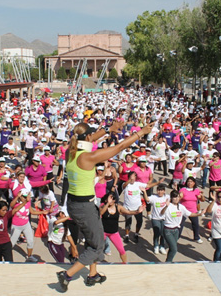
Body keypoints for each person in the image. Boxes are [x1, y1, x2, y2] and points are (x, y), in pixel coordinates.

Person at [57, 120, 154, 292]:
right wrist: (141, 133)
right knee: (97, 246)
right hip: (84, 207)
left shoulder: (70, 152)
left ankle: (93, 274)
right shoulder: (88, 157)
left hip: (74, 203)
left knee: (91, 239)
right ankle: (67, 275)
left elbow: (89, 140)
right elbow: (119, 147)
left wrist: (108, 131)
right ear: (86, 137)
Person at [160, 190, 204, 262]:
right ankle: (168, 262)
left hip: (176, 230)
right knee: (174, 249)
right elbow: (161, 213)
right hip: (168, 230)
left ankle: (168, 261)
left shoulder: (181, 207)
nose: (176, 199)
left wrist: (199, 214)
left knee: (172, 248)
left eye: (178, 197)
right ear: (171, 198)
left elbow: (190, 214)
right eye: (174, 197)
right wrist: (166, 206)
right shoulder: (168, 206)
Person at [100, 192, 143, 263]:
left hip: (114, 233)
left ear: (114, 200)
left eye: (112, 199)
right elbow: (101, 213)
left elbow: (128, 212)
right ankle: (95, 266)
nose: (111, 201)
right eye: (109, 199)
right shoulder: (102, 207)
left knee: (122, 250)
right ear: (105, 200)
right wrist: (107, 204)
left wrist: (137, 212)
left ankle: (125, 264)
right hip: (103, 232)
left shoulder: (118, 207)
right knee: (97, 250)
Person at [178, 176, 205, 243]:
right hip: (183, 210)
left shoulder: (196, 190)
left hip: (193, 210)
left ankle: (196, 237)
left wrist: (201, 196)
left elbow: (202, 200)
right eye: (188, 181)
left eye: (191, 182)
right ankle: (176, 237)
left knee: (195, 224)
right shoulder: (183, 189)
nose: (189, 183)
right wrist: (180, 196)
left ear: (194, 183)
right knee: (180, 225)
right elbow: (180, 196)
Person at [144, 184, 170, 254]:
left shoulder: (167, 197)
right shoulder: (154, 197)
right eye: (158, 190)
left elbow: (176, 197)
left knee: (163, 233)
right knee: (157, 232)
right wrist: (144, 191)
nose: (160, 192)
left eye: (161, 190)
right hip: (155, 218)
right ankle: (156, 246)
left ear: (164, 191)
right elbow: (147, 199)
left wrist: (176, 188)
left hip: (165, 218)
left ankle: (162, 246)